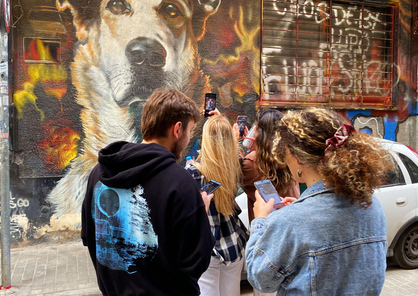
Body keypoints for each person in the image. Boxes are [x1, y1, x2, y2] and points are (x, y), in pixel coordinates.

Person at [81, 88, 215, 296]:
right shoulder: (180, 182)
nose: (189, 138)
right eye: (190, 131)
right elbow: (195, 262)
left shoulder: (98, 174)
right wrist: (200, 214)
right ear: (177, 129)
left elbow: (91, 238)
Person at [246, 107, 392, 295]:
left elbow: (260, 278)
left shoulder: (291, 221)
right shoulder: (372, 206)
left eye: (285, 150)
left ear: (297, 157)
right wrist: (299, 211)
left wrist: (260, 221)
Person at [185, 114, 248, 296]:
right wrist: (225, 126)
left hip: (207, 245)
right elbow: (234, 147)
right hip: (233, 241)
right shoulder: (235, 164)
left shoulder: (192, 172)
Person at [241, 108, 299, 222]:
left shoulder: (250, 163)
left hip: (267, 229)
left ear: (256, 131)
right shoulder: (290, 155)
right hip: (292, 220)